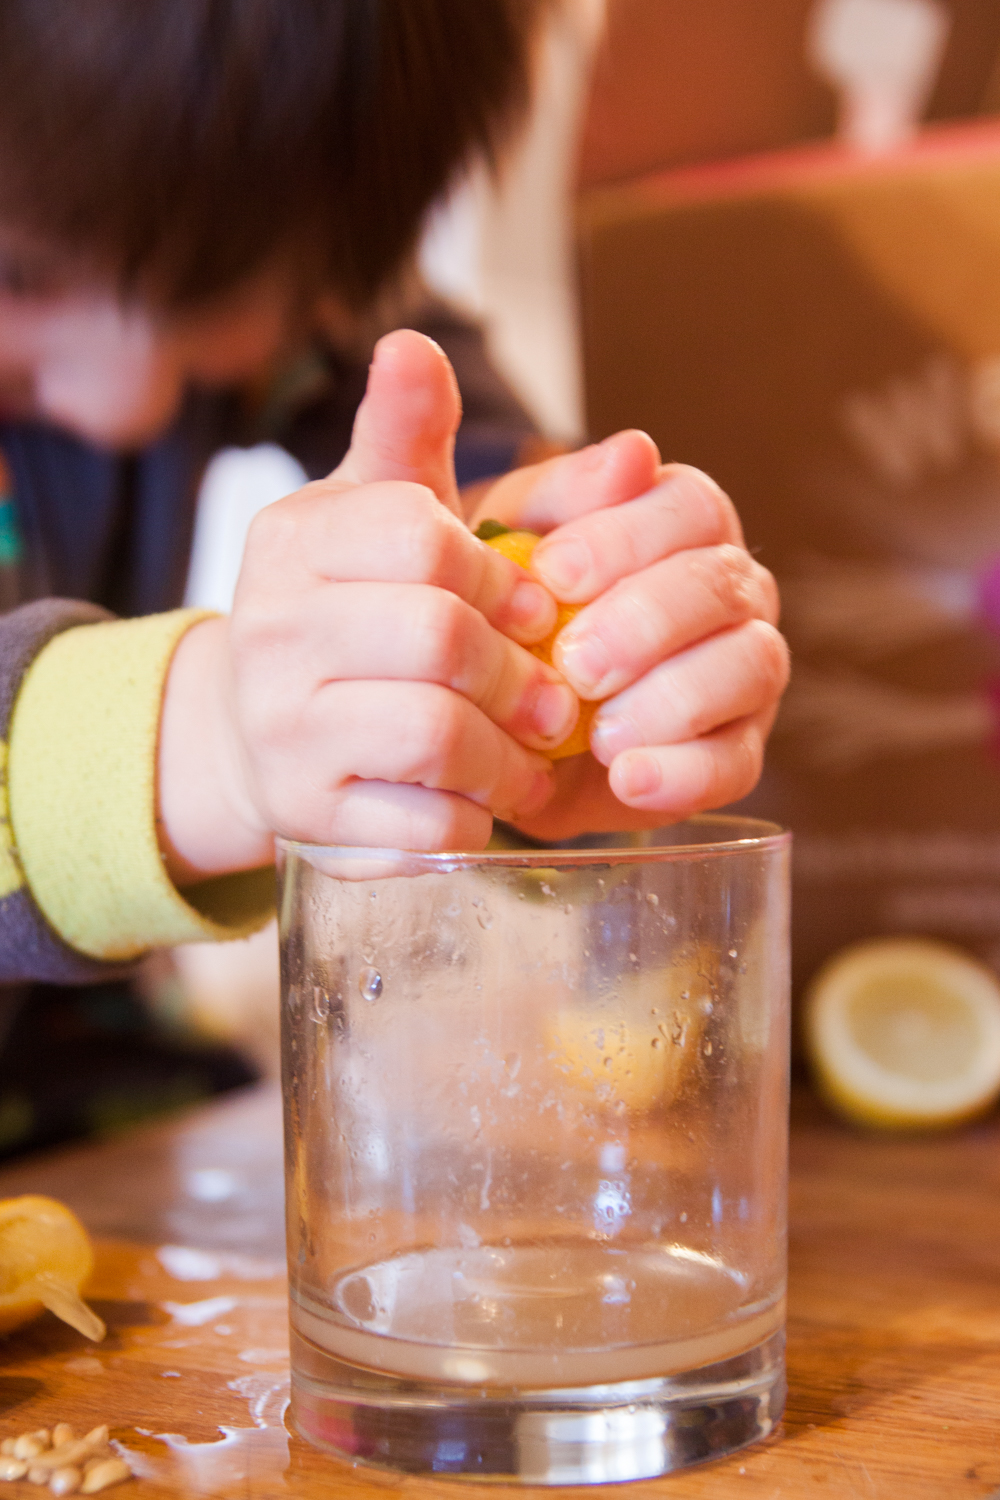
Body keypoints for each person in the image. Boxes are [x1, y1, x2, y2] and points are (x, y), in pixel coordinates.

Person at [0, 0, 787, 1145]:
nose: (127, 400)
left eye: (207, 313)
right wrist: (209, 742)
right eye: (21, 275)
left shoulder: (258, 230)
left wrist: (591, 625)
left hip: (100, 1105)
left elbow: (487, 499)